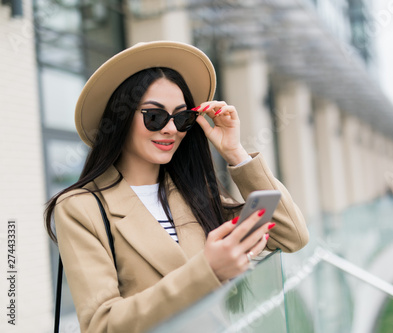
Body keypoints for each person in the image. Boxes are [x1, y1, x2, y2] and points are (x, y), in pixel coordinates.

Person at [44, 41, 309, 333]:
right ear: (121, 119)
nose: (170, 129)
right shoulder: (81, 207)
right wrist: (207, 270)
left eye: (182, 118)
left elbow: (291, 235)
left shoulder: (194, 192)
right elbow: (101, 324)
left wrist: (236, 153)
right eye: (154, 116)